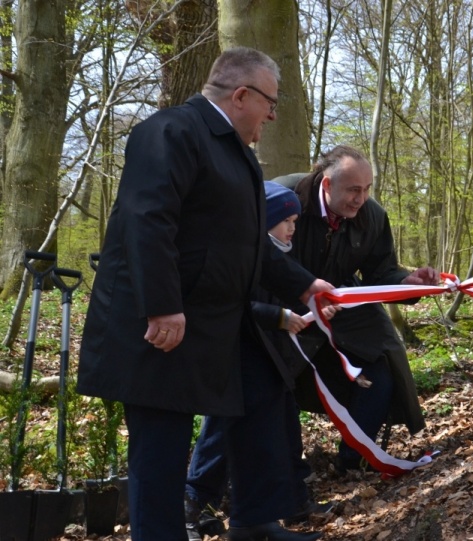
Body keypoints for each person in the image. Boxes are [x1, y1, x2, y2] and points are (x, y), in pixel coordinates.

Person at [76, 47, 332, 541]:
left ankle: (255, 520)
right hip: (162, 325)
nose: (274, 114)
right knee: (161, 445)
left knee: (262, 388)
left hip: (216, 319)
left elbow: (246, 245)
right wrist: (163, 306)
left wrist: (304, 284)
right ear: (241, 96)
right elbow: (146, 220)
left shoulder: (236, 154)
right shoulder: (172, 132)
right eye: (270, 103)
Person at [184, 182, 334, 539]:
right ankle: (192, 505)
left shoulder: (279, 257)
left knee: (281, 427)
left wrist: (316, 307)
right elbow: (233, 303)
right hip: (234, 358)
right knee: (221, 432)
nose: (293, 228)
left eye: (296, 219)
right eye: (286, 220)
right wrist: (278, 317)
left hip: (269, 359)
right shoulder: (243, 255)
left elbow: (290, 292)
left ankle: (283, 504)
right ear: (265, 219)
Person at [286, 145, 437, 473]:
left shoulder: (373, 216)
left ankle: (354, 459)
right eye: (354, 190)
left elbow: (381, 273)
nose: (361, 198)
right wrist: (297, 301)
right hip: (281, 305)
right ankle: (276, 473)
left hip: (344, 304)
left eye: (367, 189)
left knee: (382, 369)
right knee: (269, 379)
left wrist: (408, 282)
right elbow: (255, 264)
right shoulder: (284, 198)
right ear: (327, 185)